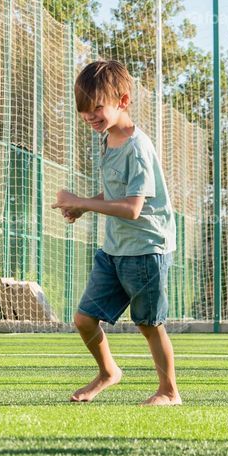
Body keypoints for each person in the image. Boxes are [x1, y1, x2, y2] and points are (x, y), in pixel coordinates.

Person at [52, 60, 181, 406]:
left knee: (149, 324)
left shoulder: (137, 148)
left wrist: (83, 201)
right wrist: (82, 206)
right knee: (83, 319)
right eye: (84, 111)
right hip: (115, 250)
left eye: (97, 108)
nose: (90, 117)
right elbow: (113, 196)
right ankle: (109, 372)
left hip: (146, 249)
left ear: (123, 101)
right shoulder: (108, 139)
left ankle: (169, 392)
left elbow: (132, 208)